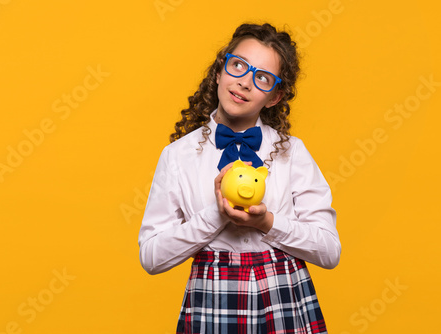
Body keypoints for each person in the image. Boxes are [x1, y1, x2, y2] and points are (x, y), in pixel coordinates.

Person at [138, 22, 341, 334]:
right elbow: (151, 257)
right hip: (212, 295)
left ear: (275, 97)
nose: (245, 82)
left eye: (262, 78)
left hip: (283, 295)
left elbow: (329, 251)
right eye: (238, 66)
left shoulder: (293, 153)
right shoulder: (178, 156)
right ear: (219, 71)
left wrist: (266, 223)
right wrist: (214, 216)